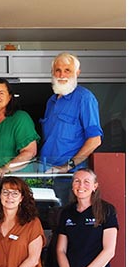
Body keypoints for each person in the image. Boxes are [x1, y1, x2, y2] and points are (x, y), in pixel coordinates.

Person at [40, 53, 103, 202]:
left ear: (77, 73)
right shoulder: (51, 101)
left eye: (67, 70)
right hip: (47, 176)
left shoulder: (85, 98)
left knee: (69, 222)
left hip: (70, 178)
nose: (62, 74)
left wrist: (66, 167)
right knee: (51, 222)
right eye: (58, 70)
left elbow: (95, 140)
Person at [0, 78, 39, 179]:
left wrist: (5, 169)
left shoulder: (20, 118)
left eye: (1, 93)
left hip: (11, 186)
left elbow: (29, 152)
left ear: (10, 96)